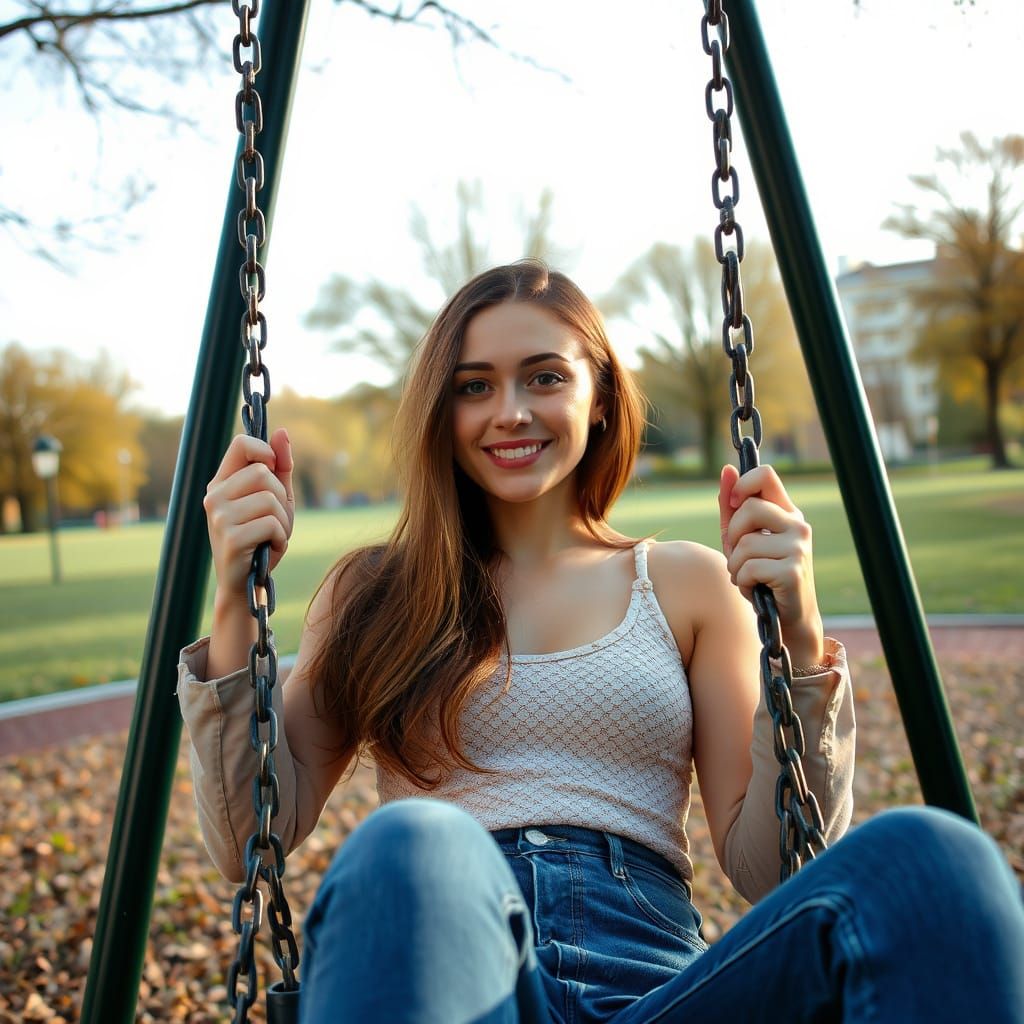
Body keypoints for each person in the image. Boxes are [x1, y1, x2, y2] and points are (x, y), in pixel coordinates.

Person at [178, 261, 1024, 1023]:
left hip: (660, 993)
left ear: (602, 396)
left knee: (933, 859)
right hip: (459, 977)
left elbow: (772, 870)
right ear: (441, 409)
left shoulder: (689, 585)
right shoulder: (378, 595)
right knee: (414, 847)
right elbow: (254, 832)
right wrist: (231, 597)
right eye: (474, 386)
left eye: (544, 376)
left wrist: (797, 635)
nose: (510, 411)